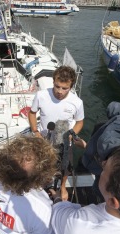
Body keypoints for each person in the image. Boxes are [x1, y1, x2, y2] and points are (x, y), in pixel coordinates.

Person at [28, 66, 84, 201]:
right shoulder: (41, 95)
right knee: (40, 163)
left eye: (64, 88)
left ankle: (63, 186)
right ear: (53, 82)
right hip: (43, 139)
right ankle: (42, 182)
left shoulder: (77, 102)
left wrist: (72, 134)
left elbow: (80, 122)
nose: (59, 91)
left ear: (71, 86)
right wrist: (35, 131)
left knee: (65, 166)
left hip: (64, 140)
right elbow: (32, 113)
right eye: (57, 86)